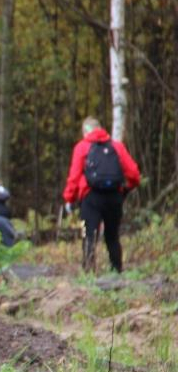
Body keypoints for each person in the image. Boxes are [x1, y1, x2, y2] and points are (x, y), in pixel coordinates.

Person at [62, 116, 140, 272]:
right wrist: (126, 188)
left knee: (89, 234)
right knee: (112, 235)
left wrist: (69, 198)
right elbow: (133, 173)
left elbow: (74, 176)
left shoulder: (82, 147)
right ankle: (117, 270)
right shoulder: (116, 146)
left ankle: (89, 270)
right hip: (114, 197)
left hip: (90, 198)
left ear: (85, 132)